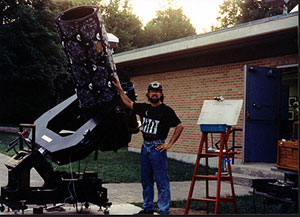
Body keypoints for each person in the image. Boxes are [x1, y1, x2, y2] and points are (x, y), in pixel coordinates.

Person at [113, 74, 184, 215]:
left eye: (157, 92)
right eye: (152, 91)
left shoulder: (166, 110)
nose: (154, 94)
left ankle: (164, 210)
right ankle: (148, 208)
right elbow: (128, 103)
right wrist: (120, 89)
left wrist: (169, 144)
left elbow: (180, 126)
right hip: (145, 147)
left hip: (158, 147)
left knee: (161, 181)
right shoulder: (143, 107)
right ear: (148, 94)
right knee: (146, 180)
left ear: (161, 94)